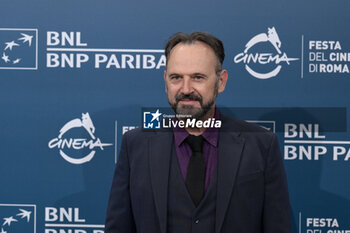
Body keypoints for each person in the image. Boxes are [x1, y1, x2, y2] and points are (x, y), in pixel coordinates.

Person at [105, 32, 292, 233]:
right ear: (165, 81)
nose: (186, 89)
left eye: (198, 77)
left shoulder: (261, 144)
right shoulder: (135, 144)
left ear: (221, 81)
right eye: (176, 77)